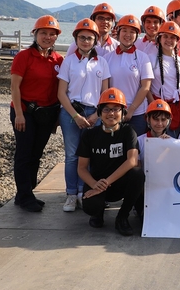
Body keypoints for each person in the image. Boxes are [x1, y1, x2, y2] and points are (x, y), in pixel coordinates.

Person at [9, 15, 64, 212]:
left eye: (52, 34)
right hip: (25, 112)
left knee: (36, 155)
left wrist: (56, 118)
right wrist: (19, 114)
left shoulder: (58, 60)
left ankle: (25, 193)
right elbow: (15, 87)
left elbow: (60, 90)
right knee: (24, 154)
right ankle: (25, 197)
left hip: (46, 114)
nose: (47, 37)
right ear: (35, 34)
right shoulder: (24, 57)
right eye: (43, 33)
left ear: (56, 37)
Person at [57, 18, 111, 213]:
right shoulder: (69, 61)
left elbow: (105, 94)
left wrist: (97, 115)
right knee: (72, 155)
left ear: (95, 40)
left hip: (94, 113)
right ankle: (71, 193)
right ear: (76, 39)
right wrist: (75, 116)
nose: (86, 41)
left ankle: (84, 191)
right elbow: (61, 93)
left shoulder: (102, 62)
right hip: (71, 112)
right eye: (82, 37)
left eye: (89, 38)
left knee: (90, 155)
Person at [76, 88, 144, 236]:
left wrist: (106, 182)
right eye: (106, 109)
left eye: (116, 109)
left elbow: (132, 161)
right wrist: (95, 184)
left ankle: (122, 217)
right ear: (100, 112)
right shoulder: (89, 135)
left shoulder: (128, 131)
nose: (111, 113)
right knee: (91, 206)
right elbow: (81, 168)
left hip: (118, 183)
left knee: (138, 174)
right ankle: (98, 212)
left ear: (123, 112)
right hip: (97, 182)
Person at [104, 15, 153, 135]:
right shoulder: (107, 58)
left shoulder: (143, 58)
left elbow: (145, 87)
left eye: (132, 32)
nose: (128, 35)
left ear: (137, 35)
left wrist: (131, 110)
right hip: (113, 113)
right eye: (124, 30)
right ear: (118, 32)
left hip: (137, 114)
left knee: (135, 145)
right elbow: (105, 88)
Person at [148, 21, 180, 136]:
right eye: (165, 36)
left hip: (177, 107)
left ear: (177, 41)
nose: (169, 40)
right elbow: (146, 87)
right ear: (159, 39)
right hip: (158, 108)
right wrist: (154, 106)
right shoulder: (150, 59)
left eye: (172, 37)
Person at [137, 99, 173, 168]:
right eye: (156, 119)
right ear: (148, 119)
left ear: (168, 121)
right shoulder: (139, 141)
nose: (159, 123)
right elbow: (137, 168)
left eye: (163, 119)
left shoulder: (172, 142)